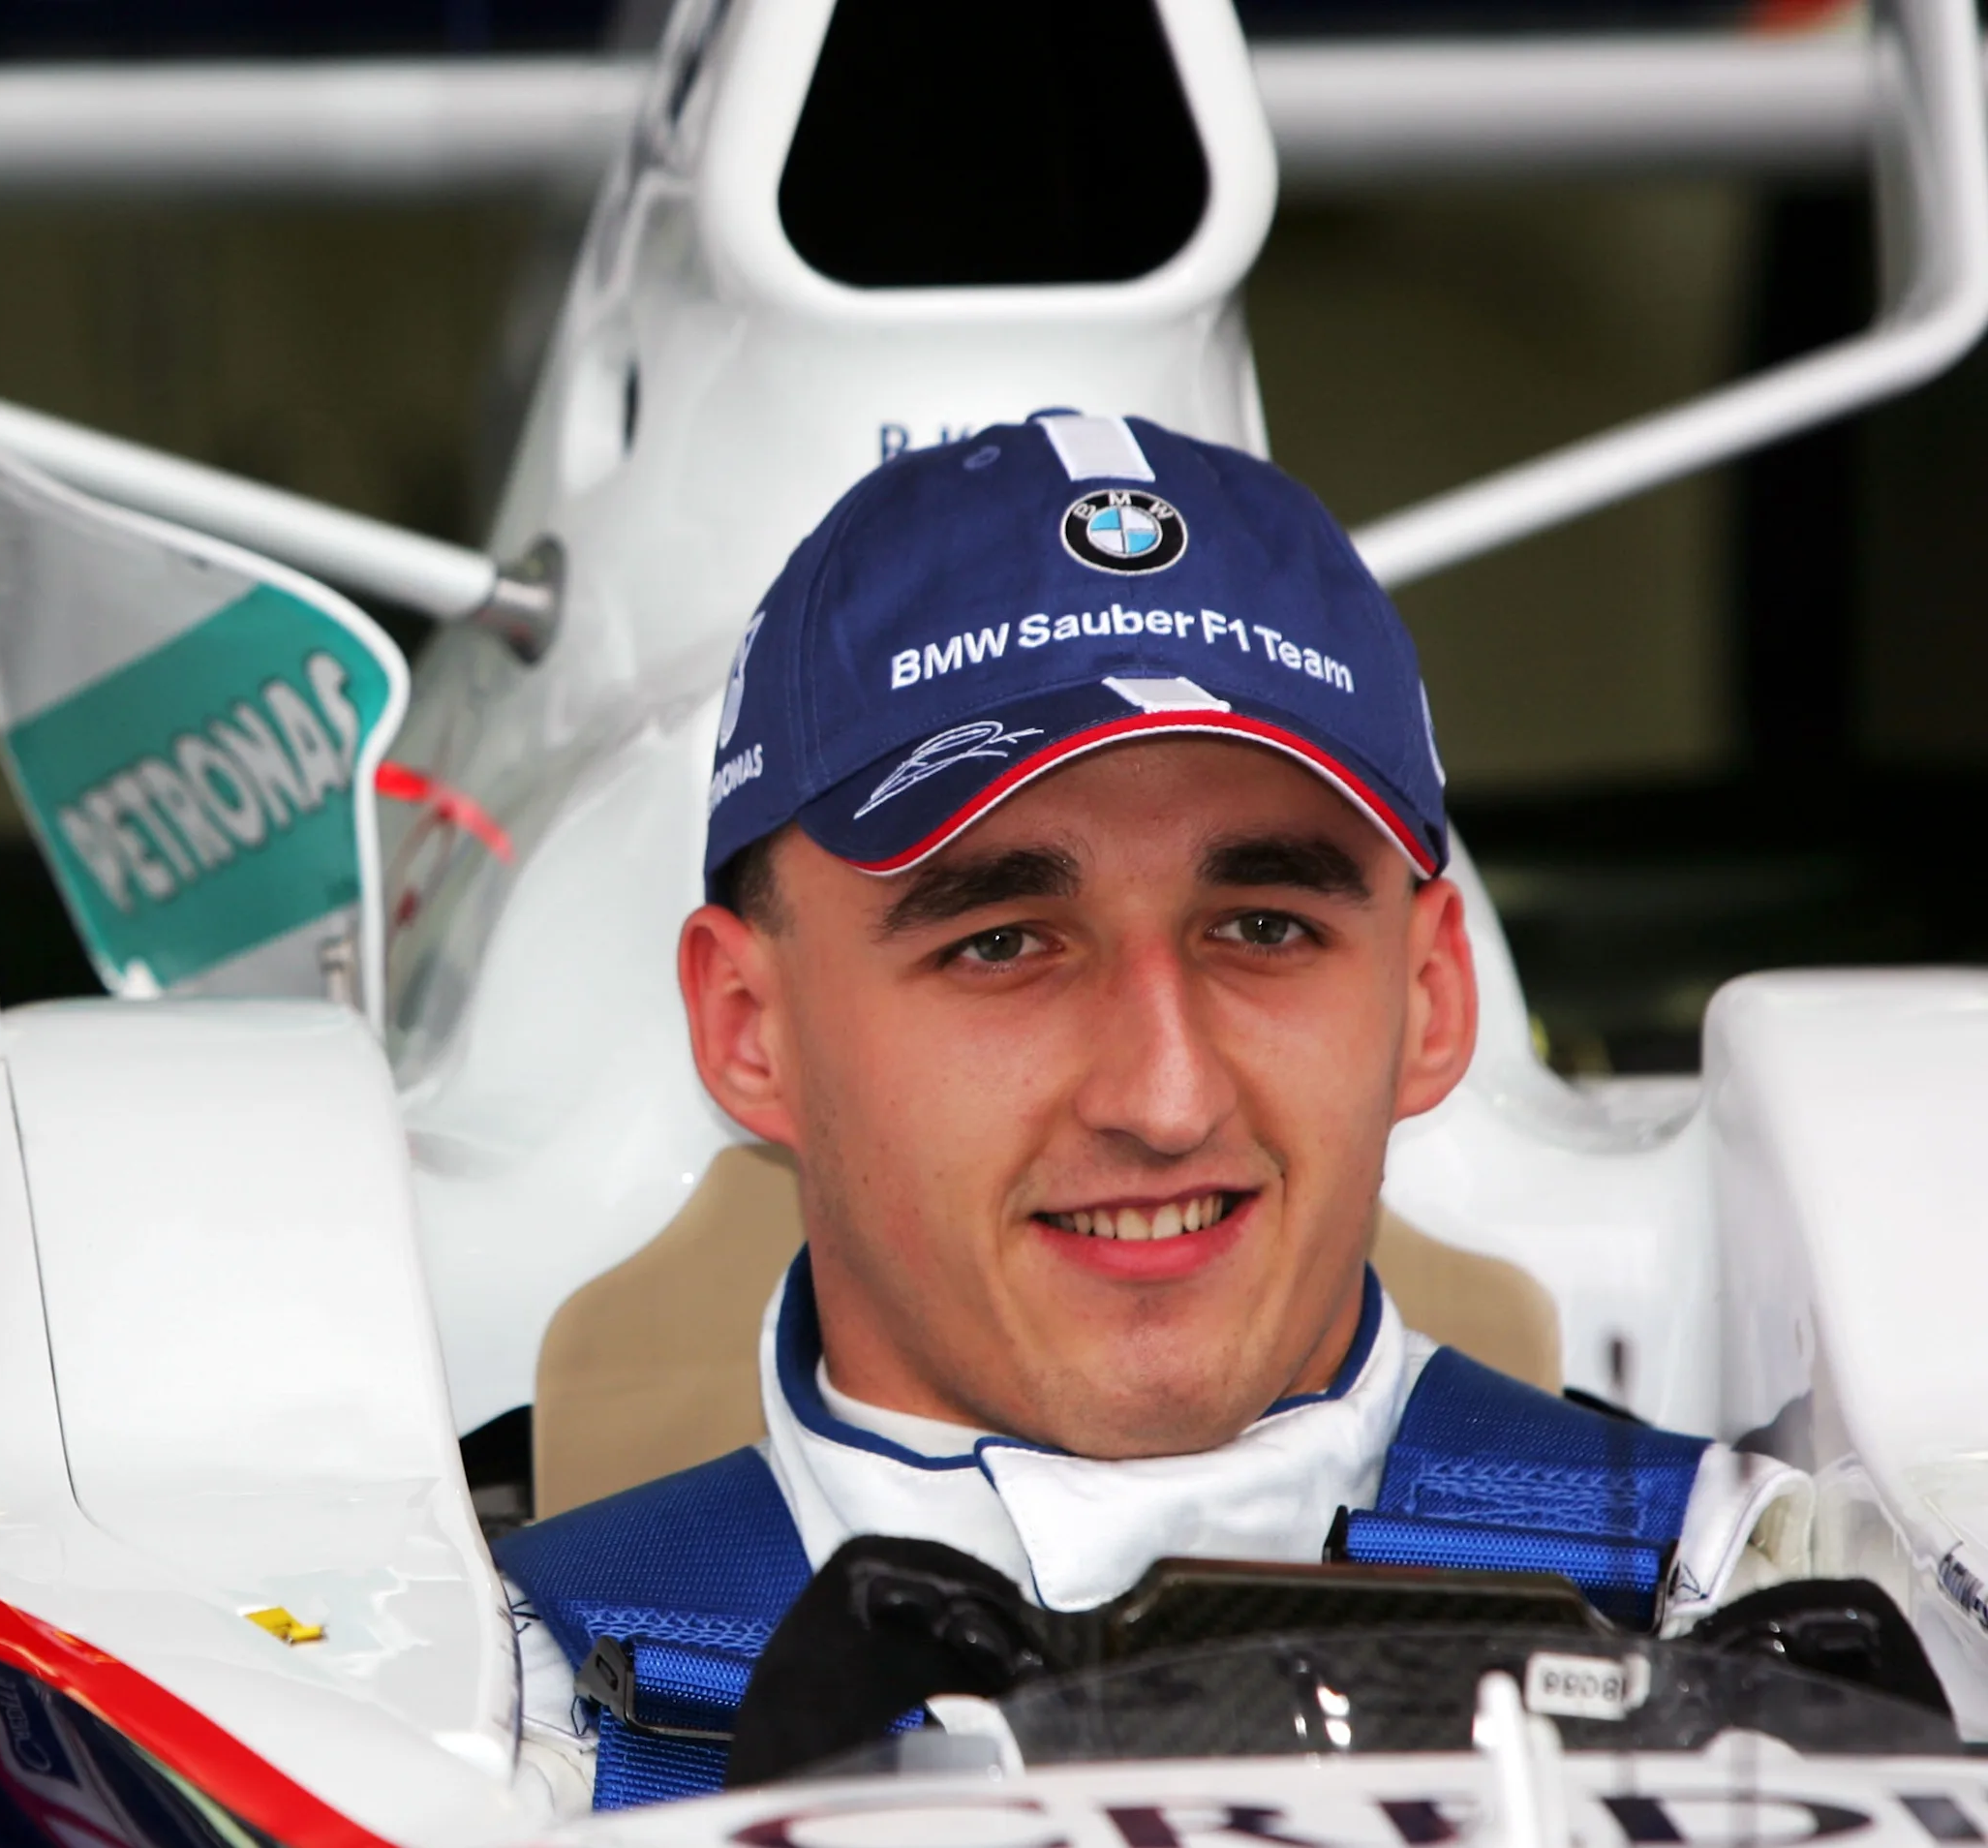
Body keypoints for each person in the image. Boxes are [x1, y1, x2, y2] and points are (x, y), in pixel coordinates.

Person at [493, 415, 1809, 1811]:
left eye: (1261, 924)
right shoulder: (500, 1728)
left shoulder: (1767, 1608)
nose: (1166, 1099)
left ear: (1429, 997)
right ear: (751, 1029)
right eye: (1000, 943)